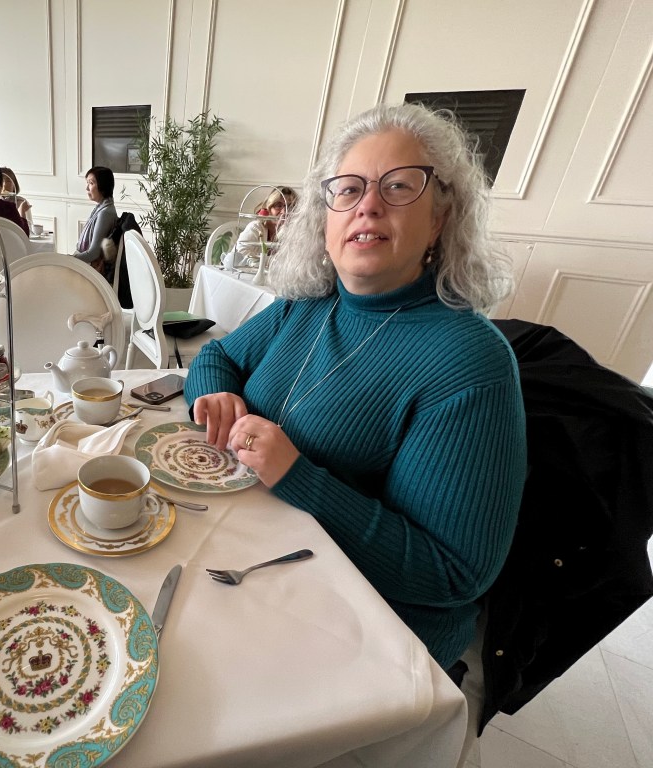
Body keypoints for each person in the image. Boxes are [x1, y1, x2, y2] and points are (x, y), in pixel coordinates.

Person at [185, 103, 527, 705]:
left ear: (440, 218)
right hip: (260, 560)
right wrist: (218, 395)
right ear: (325, 219)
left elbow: (454, 574)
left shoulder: (470, 363)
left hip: (373, 628)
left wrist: (296, 475)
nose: (368, 205)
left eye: (398, 186)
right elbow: (218, 356)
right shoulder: (308, 305)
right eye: (348, 189)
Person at [234, 186, 296, 263]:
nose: (284, 212)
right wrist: (271, 261)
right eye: (278, 206)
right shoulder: (256, 227)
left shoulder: (291, 231)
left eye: (289, 207)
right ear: (269, 208)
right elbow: (241, 252)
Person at [72, 166, 117, 269]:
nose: (87, 188)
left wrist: (69, 259)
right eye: (87, 183)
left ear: (103, 186)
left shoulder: (105, 213)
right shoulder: (102, 208)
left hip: (89, 269)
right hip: (85, 264)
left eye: (91, 183)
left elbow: (93, 254)